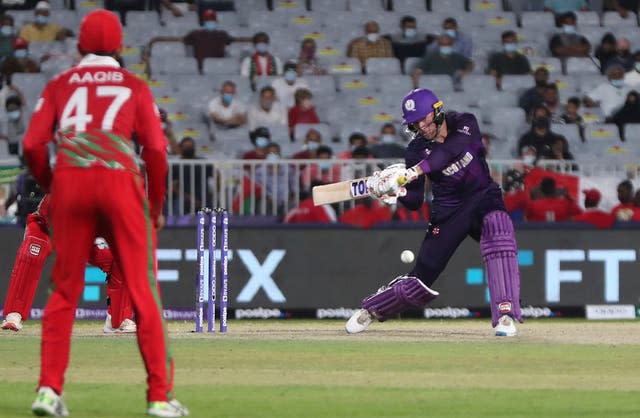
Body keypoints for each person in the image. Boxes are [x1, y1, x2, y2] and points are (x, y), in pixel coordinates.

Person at [21, 10, 188, 417]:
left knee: (63, 294)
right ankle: (159, 398)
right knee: (144, 292)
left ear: (79, 46)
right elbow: (156, 152)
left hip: (72, 184)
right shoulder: (134, 86)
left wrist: (51, 186)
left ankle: (48, 391)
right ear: (118, 47)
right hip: (120, 184)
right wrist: (156, 207)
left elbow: (30, 145)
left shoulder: (60, 84)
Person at [345, 88, 523, 337]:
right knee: (419, 283)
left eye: (423, 118)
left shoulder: (464, 123)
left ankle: (504, 315)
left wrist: (412, 172)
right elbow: (416, 200)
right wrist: (396, 193)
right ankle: (373, 308)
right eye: (414, 123)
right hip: (448, 212)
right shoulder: (415, 151)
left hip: (483, 197)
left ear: (437, 111)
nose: (421, 126)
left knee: (499, 232)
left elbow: (449, 152)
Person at [1, 195, 136, 334]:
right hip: (46, 229)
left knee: (121, 259)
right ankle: (13, 315)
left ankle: (116, 320)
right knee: (31, 255)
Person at [148, 9, 251, 72]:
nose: (210, 22)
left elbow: (237, 40)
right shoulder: (195, 34)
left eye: (212, 20)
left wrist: (256, 39)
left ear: (216, 21)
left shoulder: (222, 34)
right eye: (208, 20)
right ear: (203, 22)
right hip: (200, 69)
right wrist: (158, 39)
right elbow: (179, 40)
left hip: (220, 68)